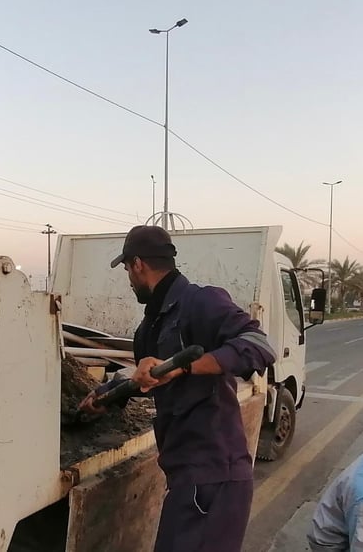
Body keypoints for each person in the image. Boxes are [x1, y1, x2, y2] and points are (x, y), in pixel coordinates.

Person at [77, 225, 276, 552]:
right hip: (185, 477)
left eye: (127, 269)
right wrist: (106, 396)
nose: (128, 279)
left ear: (138, 264)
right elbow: (145, 381)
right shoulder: (148, 328)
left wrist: (184, 366)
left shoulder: (201, 301)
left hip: (215, 478)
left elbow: (258, 345)